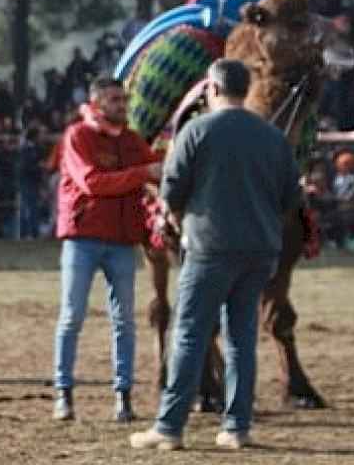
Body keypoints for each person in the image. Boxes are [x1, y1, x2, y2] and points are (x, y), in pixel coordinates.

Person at [130, 59, 302, 451]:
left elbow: (171, 192)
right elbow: (292, 197)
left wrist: (176, 221)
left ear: (212, 88)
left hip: (210, 247)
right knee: (242, 339)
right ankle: (237, 428)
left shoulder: (196, 130)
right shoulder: (273, 137)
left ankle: (169, 427)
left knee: (189, 334)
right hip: (260, 250)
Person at [52, 76, 161, 423]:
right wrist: (143, 172)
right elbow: (92, 182)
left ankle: (123, 396)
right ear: (97, 103)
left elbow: (158, 167)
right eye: (114, 100)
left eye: (123, 99)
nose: (122, 105)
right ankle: (63, 393)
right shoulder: (78, 136)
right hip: (83, 238)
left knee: (124, 321)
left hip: (121, 240)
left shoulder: (131, 141)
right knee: (72, 317)